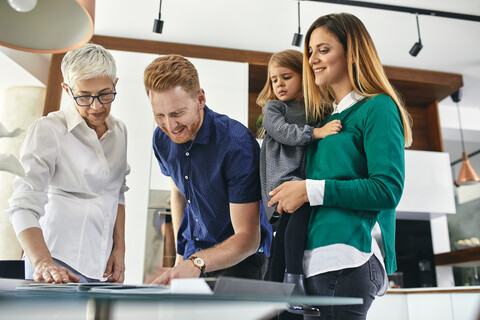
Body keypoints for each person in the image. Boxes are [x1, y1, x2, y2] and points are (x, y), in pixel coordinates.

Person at [268, 13, 413, 320]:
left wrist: (308, 190)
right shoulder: (322, 120)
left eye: (323, 50)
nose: (312, 60)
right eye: (310, 52)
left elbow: (386, 190)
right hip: (311, 265)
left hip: (346, 260)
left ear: (352, 52)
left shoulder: (377, 107)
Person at [143, 54, 272, 285]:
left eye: (177, 114)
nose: (170, 126)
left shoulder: (236, 144)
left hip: (238, 263)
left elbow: (248, 238)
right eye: (159, 116)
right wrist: (181, 258)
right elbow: (178, 191)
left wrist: (196, 263)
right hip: (192, 258)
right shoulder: (161, 139)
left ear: (200, 99)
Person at [7, 43, 130, 283]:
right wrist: (43, 262)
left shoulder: (120, 132)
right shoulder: (49, 130)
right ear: (67, 89)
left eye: (105, 94)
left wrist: (120, 249)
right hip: (54, 264)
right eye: (84, 96)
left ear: (115, 84)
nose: (96, 106)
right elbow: (22, 207)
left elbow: (118, 192)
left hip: (100, 269)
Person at [257, 50, 341, 316]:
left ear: (304, 78)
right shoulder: (274, 108)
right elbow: (281, 131)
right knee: (301, 211)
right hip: (281, 180)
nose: (278, 84)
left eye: (286, 77)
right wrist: (316, 132)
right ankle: (294, 281)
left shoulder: (316, 109)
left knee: (284, 237)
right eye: (274, 80)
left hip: (301, 180)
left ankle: (276, 292)